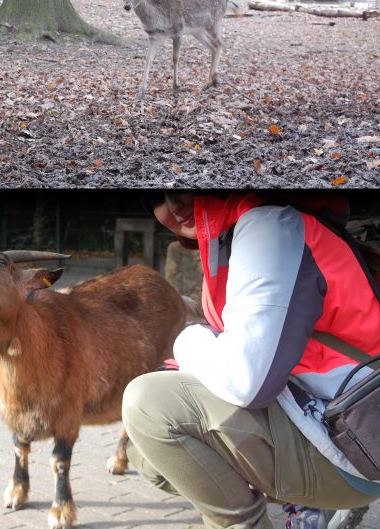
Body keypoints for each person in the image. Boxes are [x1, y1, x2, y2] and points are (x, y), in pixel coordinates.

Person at [122, 192, 380, 529]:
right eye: (155, 197)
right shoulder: (243, 231)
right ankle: (297, 506)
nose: (173, 204)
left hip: (356, 442)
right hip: (337, 419)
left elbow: (245, 382)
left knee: (149, 404)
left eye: (186, 186)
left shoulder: (269, 227)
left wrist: (185, 338)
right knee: (149, 452)